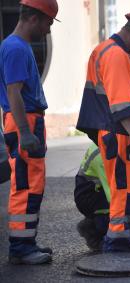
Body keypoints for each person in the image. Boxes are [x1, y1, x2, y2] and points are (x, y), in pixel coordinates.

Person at [76, 10, 130, 252]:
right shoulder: (116, 55)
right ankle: (118, 244)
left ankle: (125, 241)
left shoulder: (104, 50)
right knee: (125, 191)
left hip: (113, 133)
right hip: (120, 134)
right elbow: (121, 103)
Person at [0, 0, 59, 264]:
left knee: (31, 185)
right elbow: (14, 93)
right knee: (25, 186)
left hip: (27, 121)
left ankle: (26, 243)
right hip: (24, 121)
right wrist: (24, 131)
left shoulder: (16, 46)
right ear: (34, 18)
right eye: (48, 22)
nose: (48, 30)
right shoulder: (15, 48)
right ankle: (21, 249)